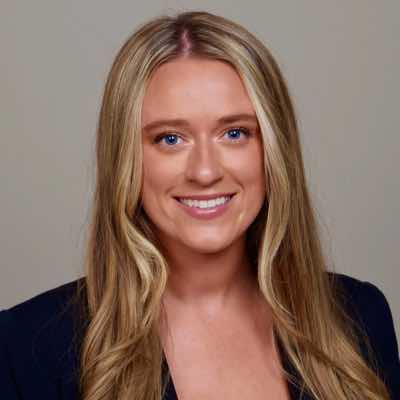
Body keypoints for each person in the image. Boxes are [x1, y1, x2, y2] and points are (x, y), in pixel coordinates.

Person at [0, 10, 399, 400]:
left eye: (235, 133)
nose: (205, 172)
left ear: (275, 151)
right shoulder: (25, 347)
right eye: (170, 138)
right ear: (125, 159)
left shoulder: (359, 316)